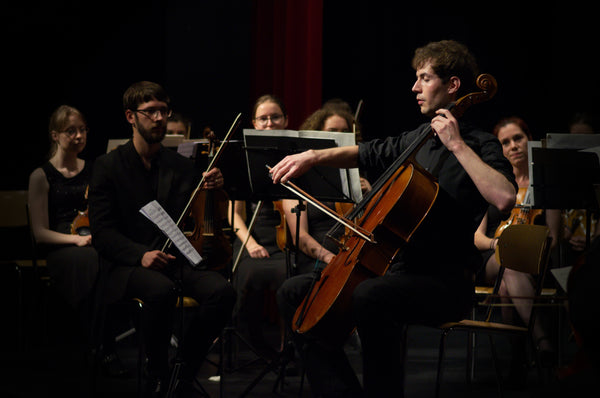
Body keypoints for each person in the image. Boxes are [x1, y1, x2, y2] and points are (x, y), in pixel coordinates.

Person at [269, 39, 517, 397]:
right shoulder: (417, 137)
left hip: (444, 281)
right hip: (393, 272)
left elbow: (505, 196)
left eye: (424, 78)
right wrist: (312, 156)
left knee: (371, 296)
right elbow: (368, 152)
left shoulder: (479, 144)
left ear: (453, 86)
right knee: (294, 294)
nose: (414, 88)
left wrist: (457, 145)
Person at [89, 81, 235, 397]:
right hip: (128, 265)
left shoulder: (180, 166)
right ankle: (157, 371)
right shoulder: (108, 166)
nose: (159, 118)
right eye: (150, 111)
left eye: (163, 111)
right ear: (131, 116)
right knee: (161, 291)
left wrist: (215, 187)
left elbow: (197, 213)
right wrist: (140, 255)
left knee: (222, 292)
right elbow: (102, 233)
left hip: (174, 259)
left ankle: (181, 370)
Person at [27, 104, 128, 377]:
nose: (79, 136)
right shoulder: (41, 175)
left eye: (82, 130)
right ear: (55, 135)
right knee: (90, 259)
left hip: (91, 239)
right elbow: (40, 232)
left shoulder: (95, 169)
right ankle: (101, 345)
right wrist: (74, 240)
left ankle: (98, 345)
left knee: (108, 258)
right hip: (61, 245)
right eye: (71, 131)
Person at [474, 116, 561, 382]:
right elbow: (477, 237)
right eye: (506, 142)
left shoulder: (546, 184)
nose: (513, 146)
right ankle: (541, 339)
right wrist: (495, 243)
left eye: (518, 138)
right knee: (507, 261)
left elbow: (554, 238)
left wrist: (530, 246)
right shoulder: (493, 185)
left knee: (506, 283)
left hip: (533, 259)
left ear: (529, 139)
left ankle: (517, 359)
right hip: (492, 256)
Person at [229, 94, 294, 357]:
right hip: (251, 238)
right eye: (263, 118)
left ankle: (287, 345)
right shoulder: (243, 159)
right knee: (248, 275)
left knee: (290, 278)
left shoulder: (295, 156)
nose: (269, 123)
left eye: (275, 117)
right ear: (254, 123)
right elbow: (235, 215)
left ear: (286, 120)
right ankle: (252, 345)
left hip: (287, 236)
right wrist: (252, 244)